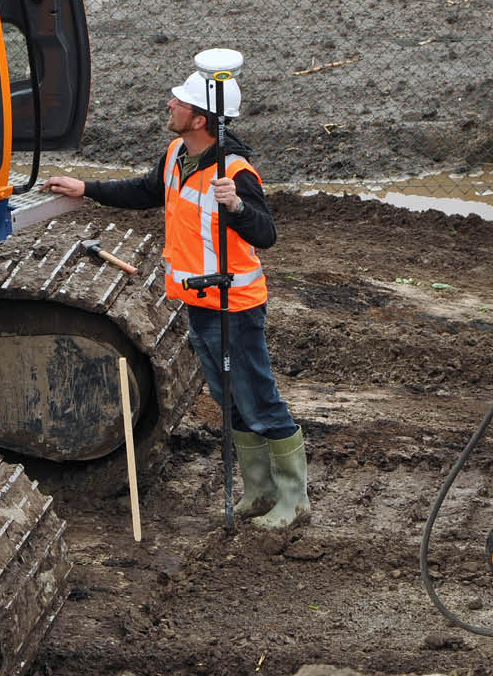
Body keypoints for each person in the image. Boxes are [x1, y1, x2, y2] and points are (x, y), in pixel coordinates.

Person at [44, 64, 308, 530]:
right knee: (228, 399)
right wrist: (86, 188)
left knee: (258, 398)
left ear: (202, 119)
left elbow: (265, 234)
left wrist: (237, 207)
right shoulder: (175, 155)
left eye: (179, 102)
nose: (170, 105)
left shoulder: (236, 173)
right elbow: (145, 190)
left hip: (235, 307)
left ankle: (293, 500)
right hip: (199, 303)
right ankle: (260, 492)